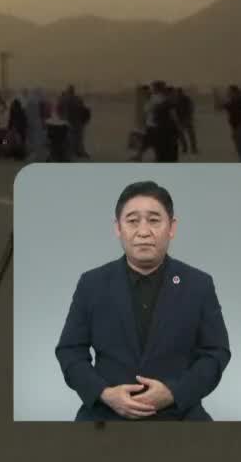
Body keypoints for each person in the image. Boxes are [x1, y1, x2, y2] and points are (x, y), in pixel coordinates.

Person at [54, 180, 231, 421]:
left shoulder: (198, 284)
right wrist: (104, 394)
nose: (144, 231)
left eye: (154, 220)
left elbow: (216, 353)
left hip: (179, 414)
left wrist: (174, 393)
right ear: (118, 228)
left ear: (172, 227)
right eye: (133, 221)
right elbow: (70, 350)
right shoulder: (92, 283)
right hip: (105, 414)